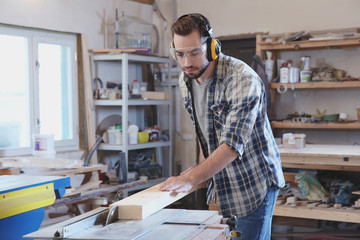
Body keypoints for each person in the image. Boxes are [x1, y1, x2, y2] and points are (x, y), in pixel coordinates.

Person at [159, 13, 285, 239]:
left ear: (212, 47)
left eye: (195, 53)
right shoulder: (185, 80)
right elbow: (203, 131)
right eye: (180, 54)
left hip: (252, 182)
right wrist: (201, 174)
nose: (187, 62)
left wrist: (190, 178)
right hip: (219, 183)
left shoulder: (241, 78)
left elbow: (231, 145)